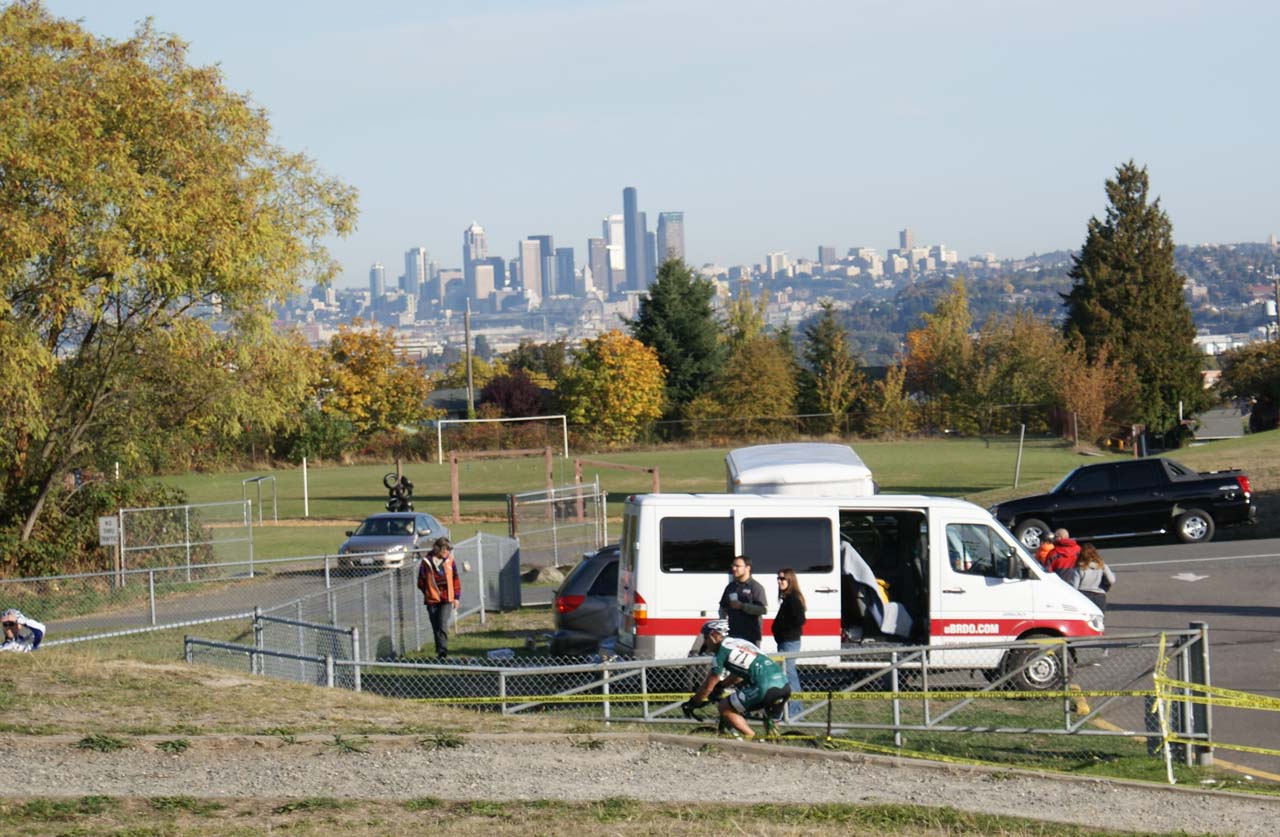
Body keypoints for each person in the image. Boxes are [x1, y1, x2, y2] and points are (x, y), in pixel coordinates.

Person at [683, 619, 791, 740]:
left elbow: (708, 685)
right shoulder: (740, 643)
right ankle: (774, 747)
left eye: (706, 638)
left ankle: (752, 740)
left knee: (724, 707)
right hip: (783, 684)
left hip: (764, 687)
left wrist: (693, 703)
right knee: (770, 725)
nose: (705, 642)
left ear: (714, 635)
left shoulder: (721, 654)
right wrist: (722, 685)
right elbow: (737, 675)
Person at [416, 537, 461, 658]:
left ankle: (443, 651)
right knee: (435, 625)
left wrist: (456, 597)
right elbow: (421, 581)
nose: (447, 552)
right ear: (438, 549)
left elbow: (455, 579)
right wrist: (428, 592)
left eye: (448, 550)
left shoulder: (450, 561)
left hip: (447, 598)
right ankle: (439, 651)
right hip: (432, 599)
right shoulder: (426, 562)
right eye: (445, 550)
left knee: (442, 623)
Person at [772, 568, 806, 720]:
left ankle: (795, 712)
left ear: (790, 580)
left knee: (790, 676)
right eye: (778, 579)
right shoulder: (787, 599)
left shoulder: (793, 598)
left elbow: (799, 620)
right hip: (784, 641)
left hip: (790, 641)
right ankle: (788, 711)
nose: (779, 581)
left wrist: (781, 628)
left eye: (783, 579)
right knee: (786, 676)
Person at [718, 555, 767, 645]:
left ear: (747, 568)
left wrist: (742, 606)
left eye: (737, 566)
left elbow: (762, 610)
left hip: (751, 637)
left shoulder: (755, 587)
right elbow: (722, 608)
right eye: (733, 565)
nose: (734, 568)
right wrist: (722, 627)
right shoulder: (731, 587)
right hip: (733, 636)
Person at [1068, 543, 1116, 612]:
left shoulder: (1079, 568)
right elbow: (1112, 580)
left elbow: (1074, 586)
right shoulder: (1102, 566)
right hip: (1099, 595)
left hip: (1083, 595)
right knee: (1099, 619)